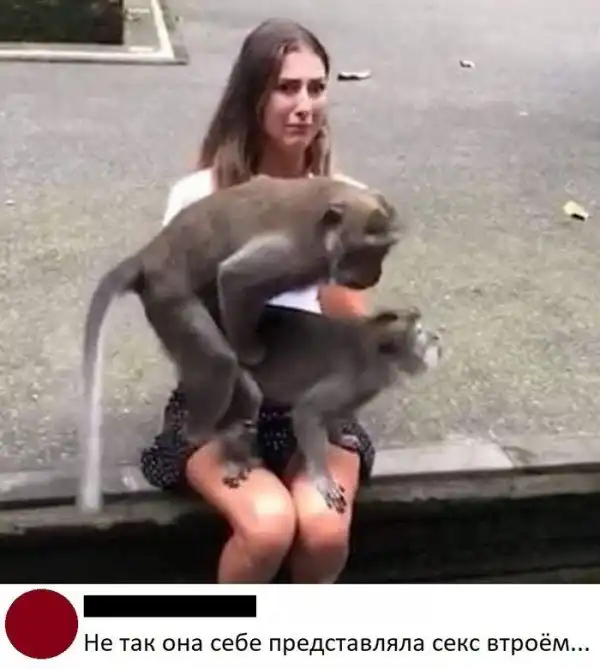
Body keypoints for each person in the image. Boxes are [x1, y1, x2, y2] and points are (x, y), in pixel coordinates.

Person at [140, 18, 376, 584]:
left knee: (322, 528)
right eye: (286, 88)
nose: (304, 106)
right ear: (253, 97)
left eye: (316, 88)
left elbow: (352, 324)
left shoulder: (346, 199)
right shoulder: (201, 197)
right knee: (268, 526)